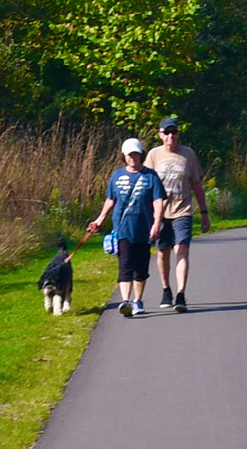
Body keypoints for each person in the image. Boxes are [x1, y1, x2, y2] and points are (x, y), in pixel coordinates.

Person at [86, 137, 165, 319]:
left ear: (141, 155)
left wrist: (156, 223)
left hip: (144, 229)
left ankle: (138, 301)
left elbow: (158, 201)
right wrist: (100, 219)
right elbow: (111, 199)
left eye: (135, 154)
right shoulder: (117, 176)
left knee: (141, 267)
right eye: (129, 155)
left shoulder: (151, 176)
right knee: (125, 265)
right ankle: (125, 301)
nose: (132, 158)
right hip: (122, 229)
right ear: (124, 156)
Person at [146, 117, 205, 311]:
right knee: (162, 252)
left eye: (174, 132)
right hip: (160, 213)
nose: (171, 136)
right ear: (160, 135)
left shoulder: (188, 155)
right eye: (167, 132)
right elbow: (145, 184)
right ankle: (166, 290)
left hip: (182, 210)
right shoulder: (153, 155)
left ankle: (180, 294)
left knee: (181, 250)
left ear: (178, 134)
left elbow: (197, 186)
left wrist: (204, 213)